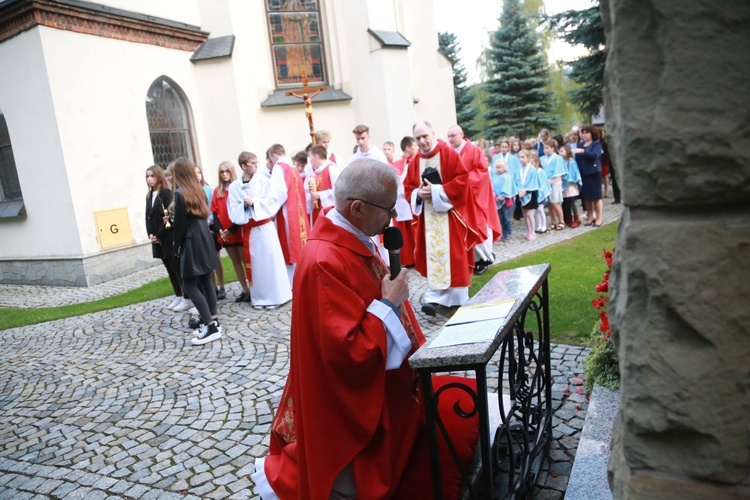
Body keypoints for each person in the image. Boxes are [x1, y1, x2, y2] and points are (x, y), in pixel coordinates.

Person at [254, 159, 479, 499]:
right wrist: (388, 304)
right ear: (357, 208)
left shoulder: (353, 235)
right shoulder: (323, 261)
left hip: (389, 381)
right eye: (388, 210)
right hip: (351, 400)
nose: (391, 219)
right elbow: (346, 351)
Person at [404, 121, 482, 316]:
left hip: (449, 217)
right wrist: (418, 194)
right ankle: (434, 297)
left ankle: (457, 298)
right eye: (418, 138)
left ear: (433, 133)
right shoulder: (415, 161)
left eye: (425, 136)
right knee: (433, 257)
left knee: (453, 257)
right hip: (428, 220)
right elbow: (408, 187)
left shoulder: (448, 153)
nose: (422, 141)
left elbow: (462, 181)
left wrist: (437, 190)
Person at [227, 151, 292, 310]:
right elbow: (233, 208)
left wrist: (254, 202)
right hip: (249, 231)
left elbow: (272, 201)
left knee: (270, 262)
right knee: (256, 265)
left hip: (264, 227)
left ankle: (277, 296)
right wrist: (243, 205)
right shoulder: (235, 186)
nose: (257, 165)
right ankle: (261, 298)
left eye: (257, 162)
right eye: (253, 163)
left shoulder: (263, 181)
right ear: (244, 166)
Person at [170, 157, 221, 345]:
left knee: (190, 284)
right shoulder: (198, 189)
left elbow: (180, 226)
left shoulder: (180, 193)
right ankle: (213, 318)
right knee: (205, 280)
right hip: (204, 238)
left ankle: (210, 325)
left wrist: (177, 247)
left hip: (192, 241)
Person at [447, 124, 501, 276]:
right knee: (464, 229)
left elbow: (482, 172)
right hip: (459, 199)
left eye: (453, 135)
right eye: (448, 136)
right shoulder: (449, 153)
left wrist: (464, 180)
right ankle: (475, 260)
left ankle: (486, 258)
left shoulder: (474, 151)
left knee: (478, 227)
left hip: (475, 198)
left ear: (461, 134)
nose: (450, 139)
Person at [263, 144, 311, 285]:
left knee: (289, 247)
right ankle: (302, 279)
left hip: (286, 214)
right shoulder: (293, 167)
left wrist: (268, 211)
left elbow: (279, 193)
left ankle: (291, 283)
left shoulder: (279, 167)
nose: (271, 165)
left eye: (271, 161)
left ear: (274, 156)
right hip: (298, 212)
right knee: (299, 246)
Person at [145, 165, 185, 310]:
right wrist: (150, 234)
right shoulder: (149, 196)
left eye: (152, 176)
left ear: (158, 177)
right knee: (168, 267)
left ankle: (186, 296)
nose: (149, 179)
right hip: (157, 238)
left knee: (175, 266)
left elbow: (168, 217)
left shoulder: (166, 193)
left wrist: (159, 235)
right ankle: (178, 295)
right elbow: (148, 217)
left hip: (167, 236)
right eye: (147, 177)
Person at [211, 161, 251, 303]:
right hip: (225, 232)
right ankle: (244, 289)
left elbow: (242, 210)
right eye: (222, 172)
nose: (224, 174)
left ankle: (252, 288)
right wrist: (220, 230)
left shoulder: (238, 188)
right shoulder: (217, 191)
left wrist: (230, 229)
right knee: (235, 262)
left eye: (227, 171)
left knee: (245, 260)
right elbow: (214, 213)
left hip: (237, 229)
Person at [196, 164, 226, 300]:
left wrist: (208, 224)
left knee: (216, 257)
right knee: (207, 260)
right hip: (200, 229)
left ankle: (222, 286)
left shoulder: (208, 190)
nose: (197, 175)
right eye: (194, 173)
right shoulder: (191, 192)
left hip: (210, 227)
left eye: (199, 173)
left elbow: (212, 210)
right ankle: (212, 287)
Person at [390, 136, 418, 267]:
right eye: (415, 145)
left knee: (414, 229)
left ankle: (417, 257)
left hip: (412, 198)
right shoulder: (398, 164)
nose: (417, 148)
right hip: (402, 200)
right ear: (408, 148)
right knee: (405, 231)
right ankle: (408, 259)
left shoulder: (415, 161)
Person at [574, 125, 605, 227]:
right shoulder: (581, 144)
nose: (584, 135)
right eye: (583, 133)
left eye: (587, 133)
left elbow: (594, 156)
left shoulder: (596, 144)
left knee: (596, 197)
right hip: (583, 173)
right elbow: (578, 158)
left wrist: (583, 151)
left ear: (592, 134)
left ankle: (599, 218)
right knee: (586, 197)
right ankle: (591, 216)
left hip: (593, 173)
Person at [515, 149, 543, 241]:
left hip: (530, 193)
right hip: (521, 194)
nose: (521, 159)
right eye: (519, 157)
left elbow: (534, 182)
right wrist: (518, 190)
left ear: (527, 157)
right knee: (524, 213)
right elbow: (516, 181)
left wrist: (526, 191)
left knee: (529, 214)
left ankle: (533, 232)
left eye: (523, 157)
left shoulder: (531, 169)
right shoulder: (518, 170)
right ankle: (528, 231)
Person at [308, 143, 340, 224]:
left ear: (316, 156)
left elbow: (339, 191)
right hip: (321, 213)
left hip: (332, 213)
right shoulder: (318, 173)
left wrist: (319, 195)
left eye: (310, 157)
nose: (310, 161)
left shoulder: (332, 169)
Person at [542, 140, 567, 230]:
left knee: (555, 202)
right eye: (544, 148)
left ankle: (561, 221)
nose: (545, 150)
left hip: (555, 182)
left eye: (547, 148)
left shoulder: (558, 158)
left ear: (552, 148)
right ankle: (553, 221)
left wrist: (552, 180)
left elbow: (559, 170)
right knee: (549, 203)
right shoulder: (542, 158)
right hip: (545, 183)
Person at [491, 158, 517, 242]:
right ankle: (503, 233)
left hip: (505, 201)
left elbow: (507, 188)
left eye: (500, 167)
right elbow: (492, 187)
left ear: (504, 168)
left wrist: (501, 197)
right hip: (496, 199)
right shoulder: (494, 176)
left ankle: (508, 234)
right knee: (501, 218)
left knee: (507, 218)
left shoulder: (507, 177)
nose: (498, 169)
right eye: (497, 167)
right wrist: (494, 196)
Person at [559, 145, 583, 228]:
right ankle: (568, 218)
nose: (560, 153)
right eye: (560, 151)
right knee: (565, 202)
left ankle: (576, 218)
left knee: (571, 202)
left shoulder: (571, 162)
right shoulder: (561, 161)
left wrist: (572, 179)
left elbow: (575, 172)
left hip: (570, 185)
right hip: (563, 185)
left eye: (562, 151)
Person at [532, 151, 550, 234]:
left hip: (541, 194)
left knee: (540, 209)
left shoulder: (541, 172)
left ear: (537, 163)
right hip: (535, 194)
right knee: (535, 211)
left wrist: (542, 192)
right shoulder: (532, 172)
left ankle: (544, 225)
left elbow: (544, 183)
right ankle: (538, 225)